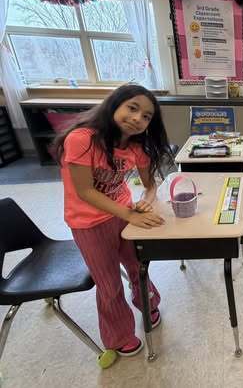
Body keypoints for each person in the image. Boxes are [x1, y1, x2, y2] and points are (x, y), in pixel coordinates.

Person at [54, 84, 173, 357]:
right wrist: (130, 214)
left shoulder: (135, 147)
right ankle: (118, 336)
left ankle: (147, 303)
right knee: (108, 284)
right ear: (113, 104)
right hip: (89, 224)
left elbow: (151, 184)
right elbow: (86, 192)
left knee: (137, 266)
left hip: (122, 214)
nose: (138, 119)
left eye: (146, 117)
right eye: (132, 108)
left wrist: (147, 200)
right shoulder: (81, 139)